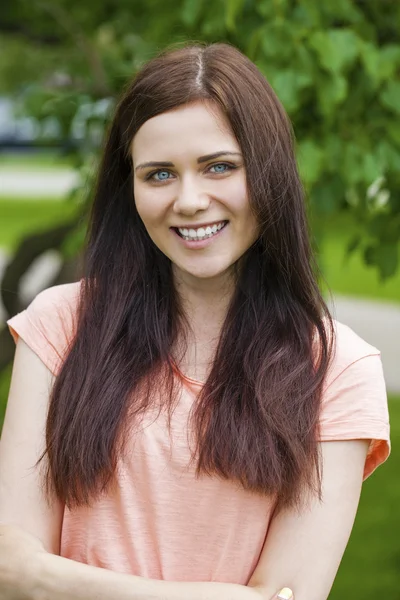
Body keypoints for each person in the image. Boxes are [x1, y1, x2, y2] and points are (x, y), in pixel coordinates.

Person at [0, 42, 390, 600]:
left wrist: (46, 577)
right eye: (159, 174)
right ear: (128, 187)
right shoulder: (60, 325)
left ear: (269, 172)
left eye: (219, 167)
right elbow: (8, 576)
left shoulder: (338, 369)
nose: (188, 200)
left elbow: (290, 593)